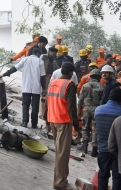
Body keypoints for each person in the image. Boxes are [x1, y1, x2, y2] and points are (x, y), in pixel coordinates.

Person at [47, 62, 81, 190]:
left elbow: (47, 100)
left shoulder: (52, 82)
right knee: (62, 154)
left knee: (61, 152)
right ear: (71, 73)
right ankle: (60, 183)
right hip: (63, 121)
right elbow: (72, 108)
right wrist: (76, 127)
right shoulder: (70, 84)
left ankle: (63, 179)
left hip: (53, 119)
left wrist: (46, 120)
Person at [1, 48, 46, 128]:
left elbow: (15, 68)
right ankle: (34, 124)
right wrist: (44, 88)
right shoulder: (40, 62)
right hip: (36, 87)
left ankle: (25, 122)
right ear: (38, 54)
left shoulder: (25, 59)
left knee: (25, 104)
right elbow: (43, 76)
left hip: (26, 86)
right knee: (35, 106)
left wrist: (5, 74)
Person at [77, 69, 104, 156]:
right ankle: (94, 149)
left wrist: (78, 111)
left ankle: (84, 146)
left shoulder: (85, 86)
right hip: (97, 109)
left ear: (91, 77)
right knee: (95, 129)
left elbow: (80, 100)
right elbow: (103, 101)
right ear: (99, 78)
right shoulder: (101, 87)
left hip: (86, 108)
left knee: (85, 127)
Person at [39, 46, 59, 119]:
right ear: (50, 52)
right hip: (42, 77)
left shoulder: (53, 60)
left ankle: (45, 113)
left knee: (47, 95)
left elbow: (58, 68)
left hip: (50, 78)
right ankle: (41, 113)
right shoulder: (43, 57)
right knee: (43, 95)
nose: (55, 55)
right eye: (54, 53)